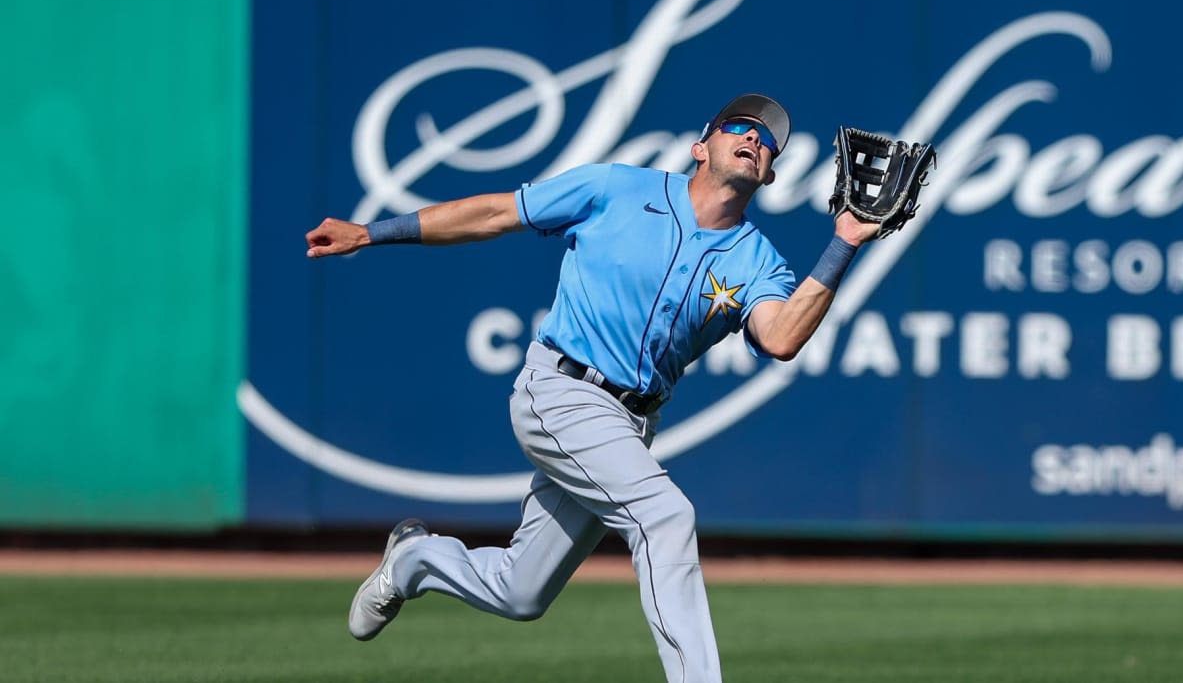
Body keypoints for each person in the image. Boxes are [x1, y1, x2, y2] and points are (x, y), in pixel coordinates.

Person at [304, 94, 880, 683]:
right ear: (700, 146)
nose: (755, 139)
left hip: (628, 425)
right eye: (740, 126)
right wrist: (372, 233)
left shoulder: (758, 260)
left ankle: (413, 560)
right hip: (559, 390)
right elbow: (495, 214)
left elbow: (781, 337)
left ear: (772, 173)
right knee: (665, 516)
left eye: (768, 141)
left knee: (519, 592)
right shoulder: (616, 189)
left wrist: (846, 243)